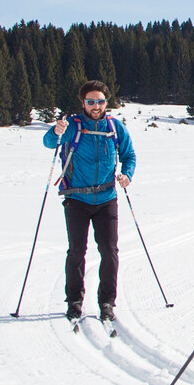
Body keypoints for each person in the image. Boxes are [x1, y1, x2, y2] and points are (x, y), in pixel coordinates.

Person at [43, 80, 137, 325]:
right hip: (76, 200)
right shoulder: (72, 126)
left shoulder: (115, 127)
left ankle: (107, 302)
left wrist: (127, 174)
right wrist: (56, 131)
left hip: (107, 199)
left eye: (101, 101)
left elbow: (128, 155)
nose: (96, 106)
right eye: (91, 101)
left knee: (110, 251)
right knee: (76, 252)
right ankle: (74, 301)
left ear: (107, 102)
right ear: (83, 103)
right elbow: (49, 143)